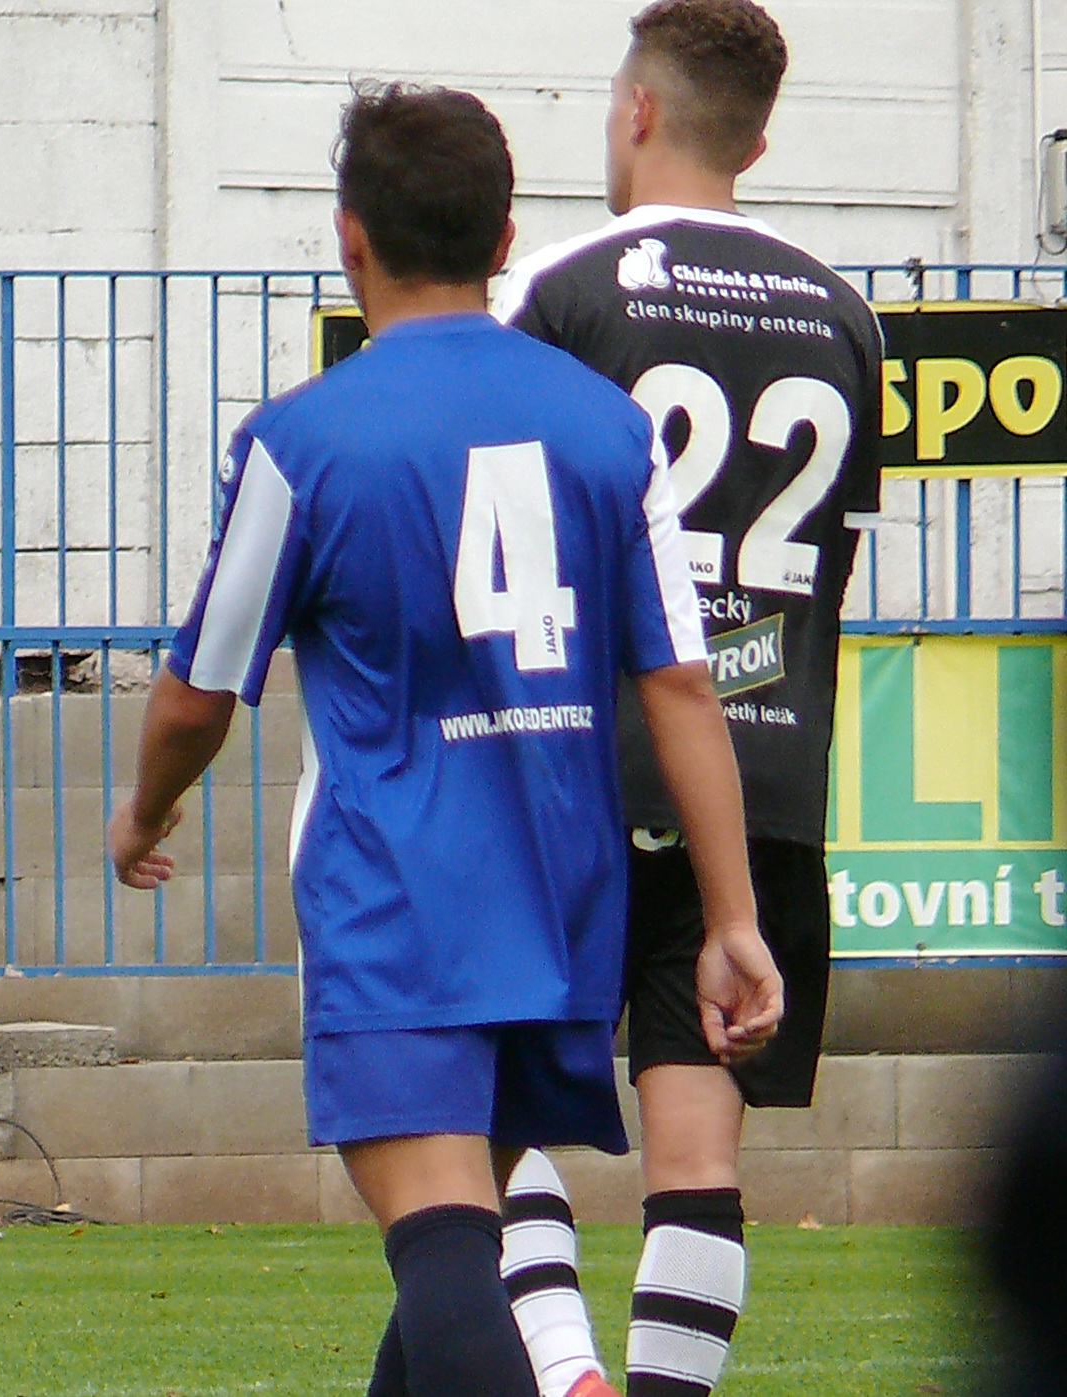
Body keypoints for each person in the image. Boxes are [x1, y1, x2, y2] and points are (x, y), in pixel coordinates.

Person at [106, 80, 782, 1397]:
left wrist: (143, 811)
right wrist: (730, 916)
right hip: (563, 905)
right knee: (453, 1250)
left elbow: (198, 692)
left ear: (350, 237)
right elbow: (681, 686)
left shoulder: (305, 439)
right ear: (504, 235)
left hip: (400, 903)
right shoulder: (608, 426)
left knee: (445, 1243)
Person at [492, 3, 883, 1394]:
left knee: (489, 1109)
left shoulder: (561, 287)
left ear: (639, 110)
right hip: (760, 776)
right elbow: (831, 564)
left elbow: (506, 538)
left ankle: (563, 1369)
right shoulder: (844, 314)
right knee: (700, 1157)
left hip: (571, 766)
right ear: (758, 143)